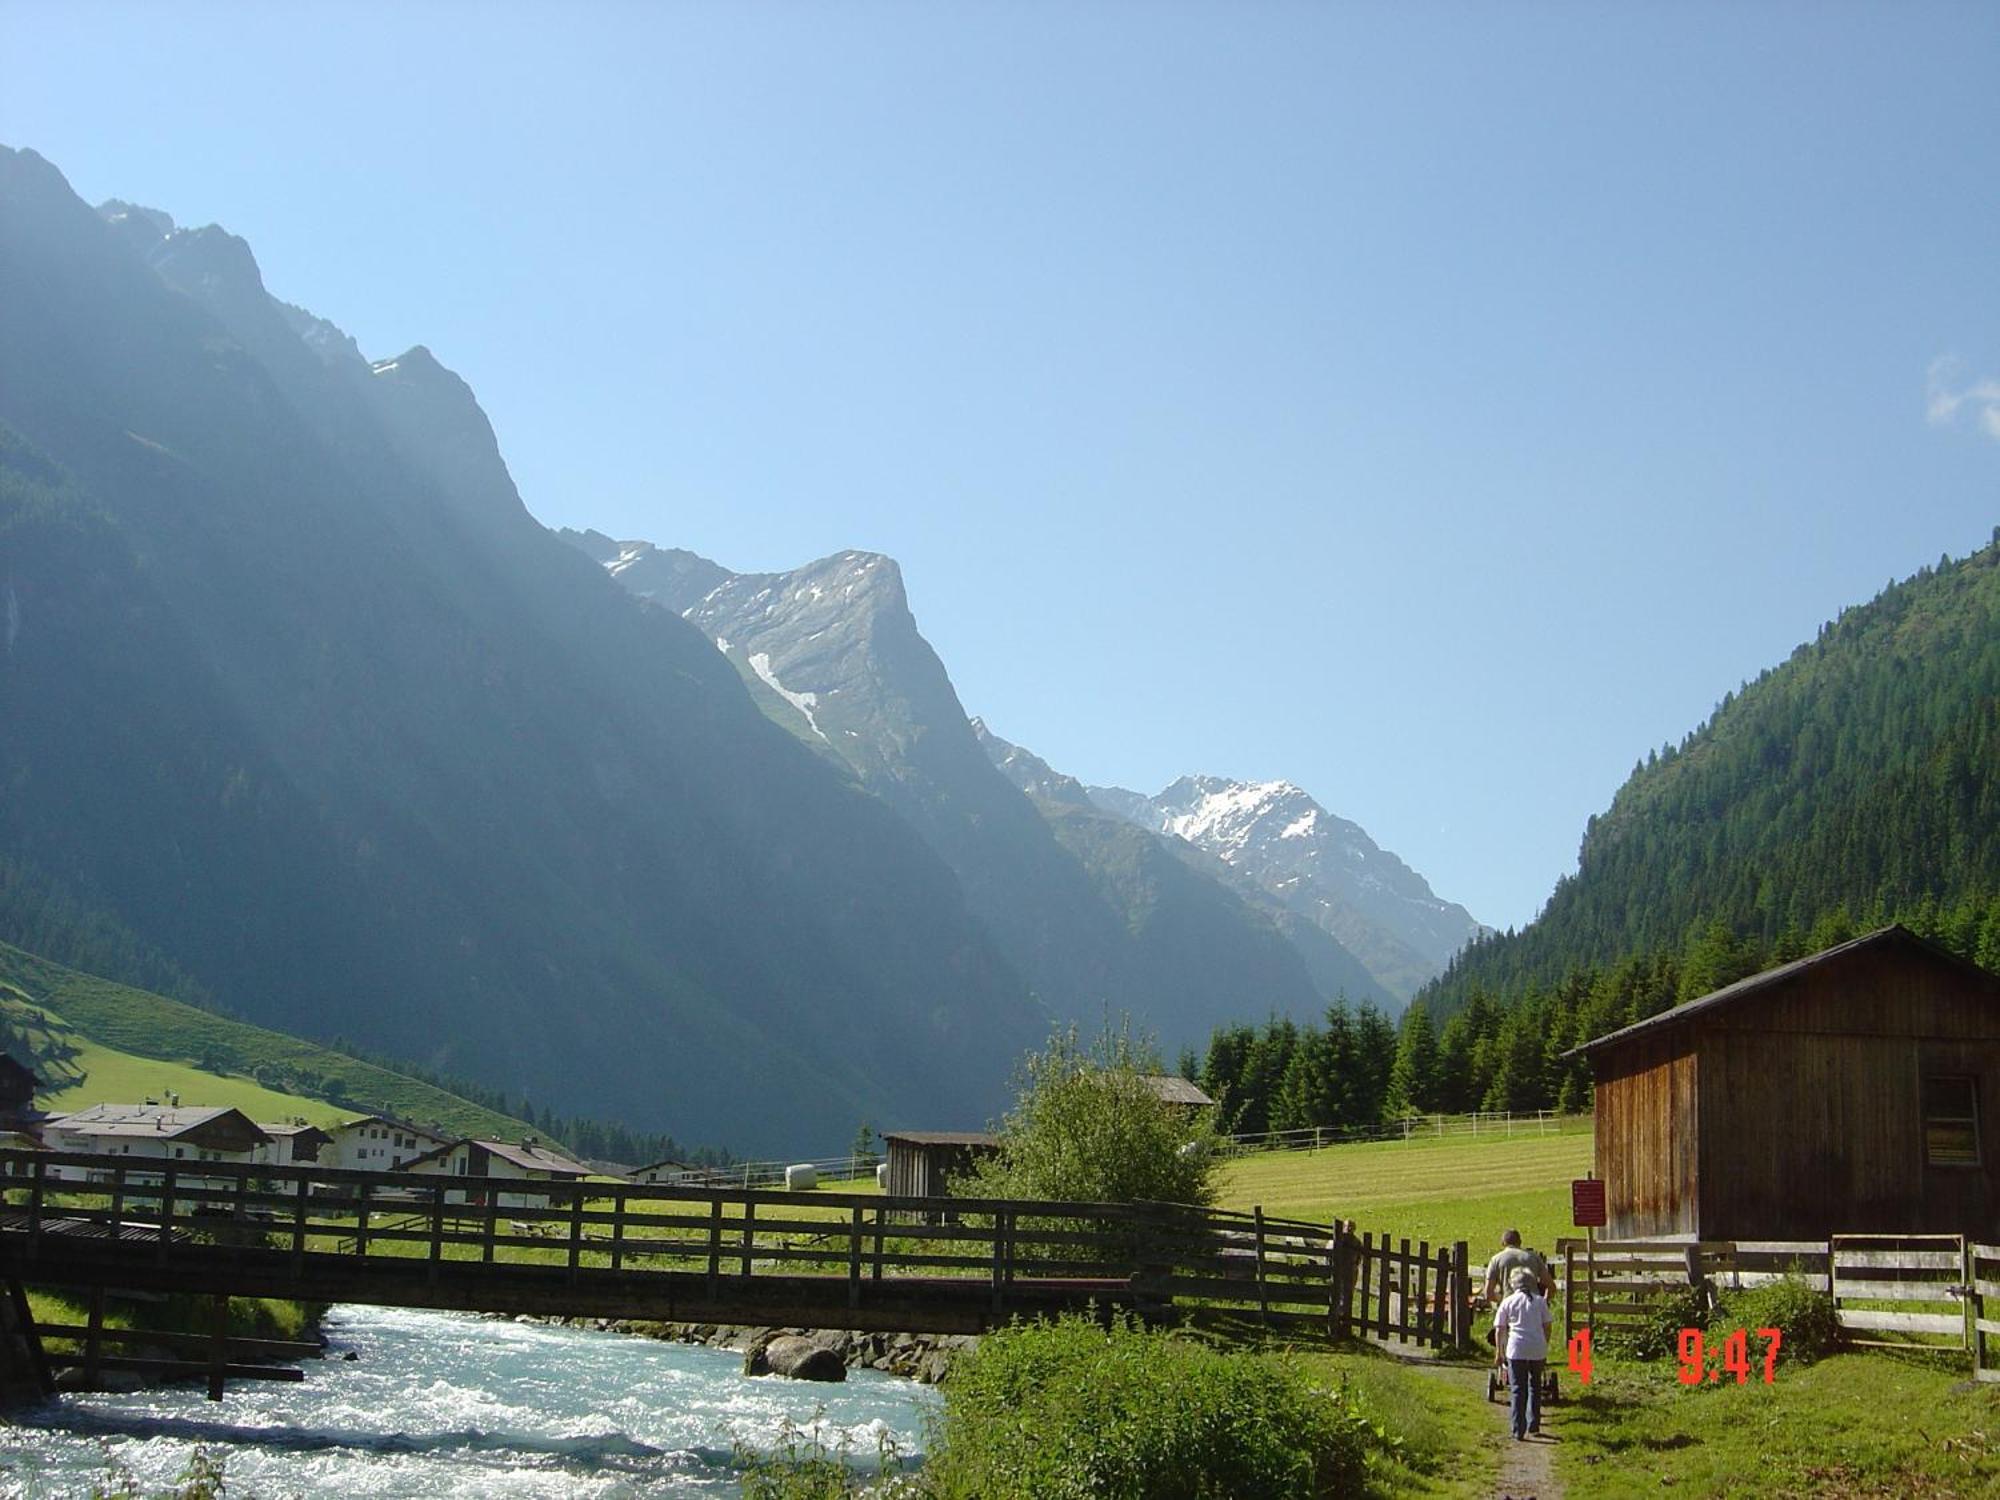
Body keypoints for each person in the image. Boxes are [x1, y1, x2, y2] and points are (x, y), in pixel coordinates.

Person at [1492, 1265, 1554, 1441]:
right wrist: (1544, 1343)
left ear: (1513, 1284)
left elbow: (1500, 1329)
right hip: (1537, 1348)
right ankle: (1534, 1423)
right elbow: (1547, 1326)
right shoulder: (1540, 1301)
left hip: (1517, 1348)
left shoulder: (1509, 1302)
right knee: (1535, 1385)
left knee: (1518, 1388)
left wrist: (1499, 1351)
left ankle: (1518, 1429)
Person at [1482, 1227, 1553, 1305]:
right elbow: (1551, 1286)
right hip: (1532, 1305)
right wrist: (1543, 1303)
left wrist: (1503, 1301)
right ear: (1520, 1242)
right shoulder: (1534, 1257)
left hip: (1509, 1308)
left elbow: (1488, 1293)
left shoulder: (1496, 1260)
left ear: (1503, 1243)